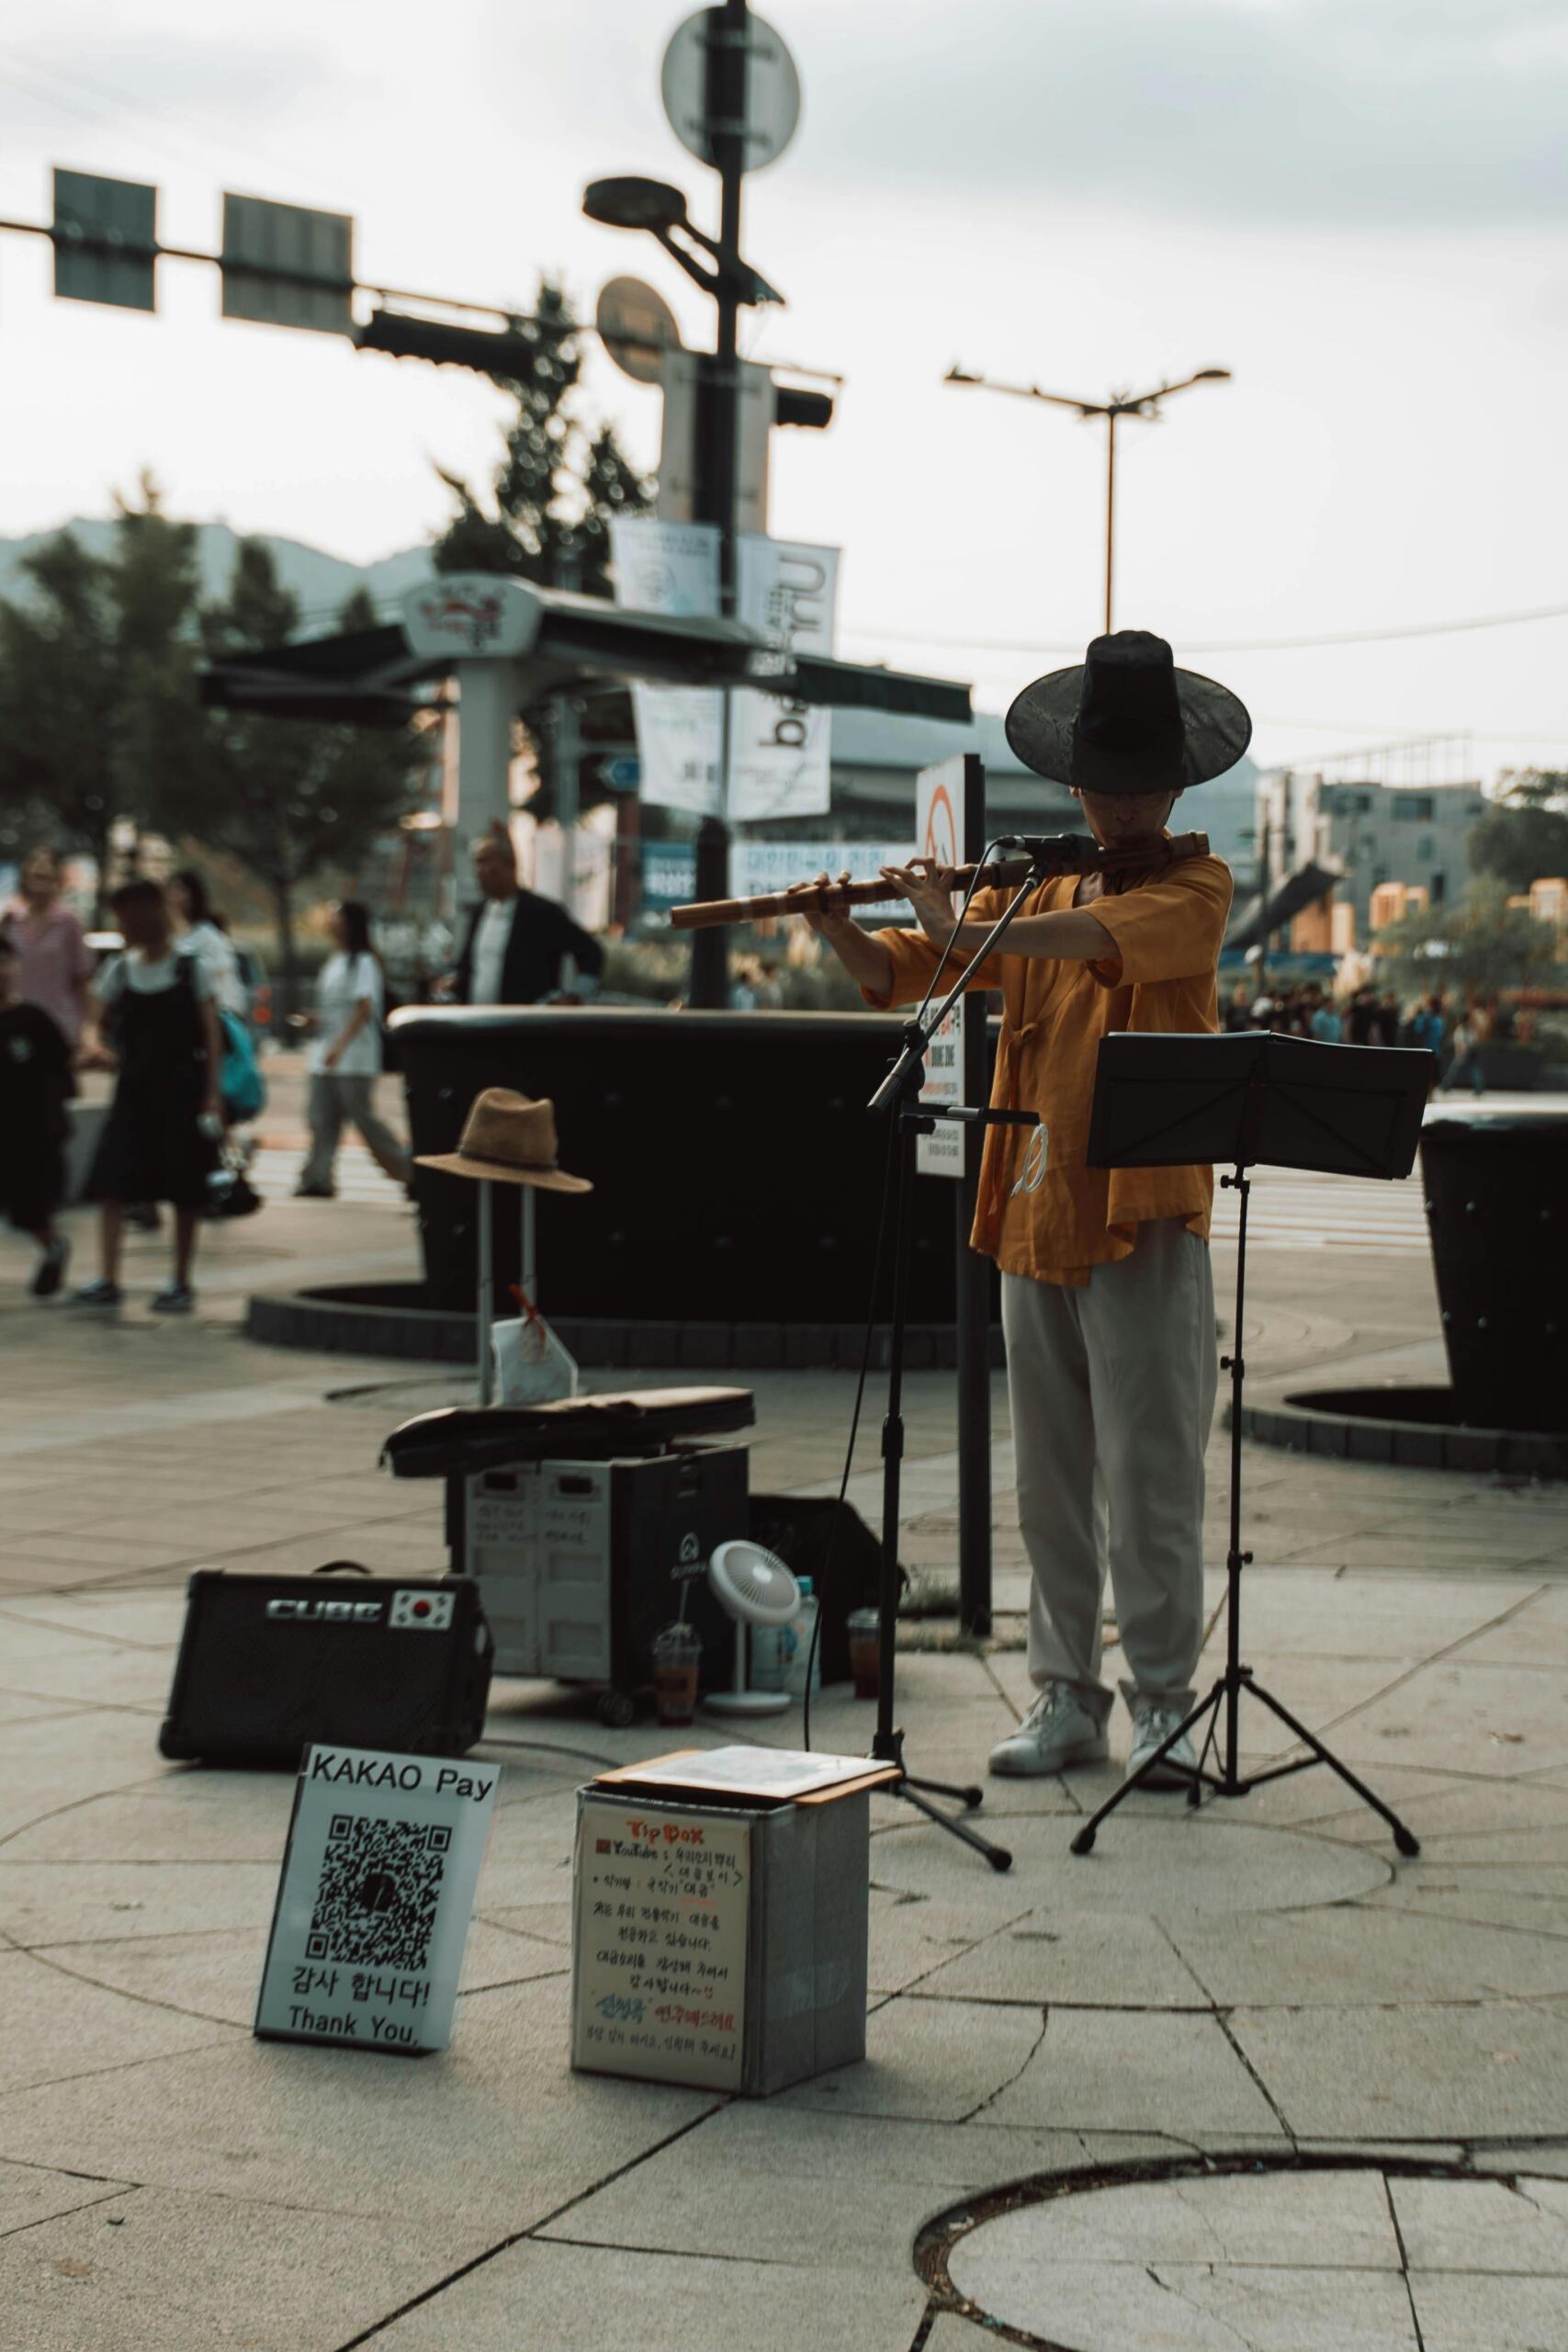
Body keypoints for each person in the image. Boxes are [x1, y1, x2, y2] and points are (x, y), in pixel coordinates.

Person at [797, 629, 1247, 1792]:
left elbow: (1098, 943)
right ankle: (1067, 1695)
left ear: (1176, 785)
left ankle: (1161, 1703)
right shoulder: (1036, 883)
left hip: (1140, 1212)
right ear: (1077, 782)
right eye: (1103, 781)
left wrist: (960, 925)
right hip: (1032, 1206)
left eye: (1141, 781)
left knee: (1150, 1474)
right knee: (1050, 1474)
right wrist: (848, 925)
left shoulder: (1197, 884)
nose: (1120, 802)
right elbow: (913, 972)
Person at [71, 877, 221, 1313]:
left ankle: (180, 1280)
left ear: (155, 913)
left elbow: (211, 1037)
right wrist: (93, 1043)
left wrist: (212, 1096)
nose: (130, 925)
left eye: (135, 916)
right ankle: (108, 1277)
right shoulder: (120, 968)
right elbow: (93, 1019)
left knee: (184, 1188)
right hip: (133, 1092)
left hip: (181, 1093)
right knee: (112, 1182)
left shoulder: (190, 968)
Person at [295, 900, 410, 1198]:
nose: (330, 923)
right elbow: (337, 1010)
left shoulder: (364, 962)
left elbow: (363, 1009)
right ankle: (317, 1178)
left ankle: (409, 1172)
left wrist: (339, 1046)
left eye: (336, 918)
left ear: (350, 924)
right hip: (326, 1056)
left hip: (354, 1057)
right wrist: (316, 1021)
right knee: (322, 1118)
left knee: (364, 1119)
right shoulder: (335, 961)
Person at [448, 826, 605, 1005]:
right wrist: (452, 980)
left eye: (485, 862)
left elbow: (592, 953)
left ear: (509, 865)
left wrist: (575, 996)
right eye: (476, 863)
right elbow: (466, 965)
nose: (478, 872)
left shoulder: (542, 913)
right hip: (479, 1023)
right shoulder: (479, 912)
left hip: (525, 1025)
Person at [0, 931, 73, 1295]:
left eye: (4, 962)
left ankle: (53, 1249)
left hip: (27, 1135)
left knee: (29, 1213)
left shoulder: (33, 1020)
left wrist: (55, 1123)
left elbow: (62, 1073)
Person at [1, 844, 94, 1049]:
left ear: (57, 877)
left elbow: (82, 980)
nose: (39, 870)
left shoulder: (70, 922)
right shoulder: (9, 919)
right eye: (34, 866)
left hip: (60, 1024)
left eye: (46, 868)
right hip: (17, 1023)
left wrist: (88, 1031)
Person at [169, 869, 248, 1020]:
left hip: (219, 1014)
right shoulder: (179, 936)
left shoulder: (207, 935)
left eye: (179, 889)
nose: (173, 896)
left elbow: (219, 977)